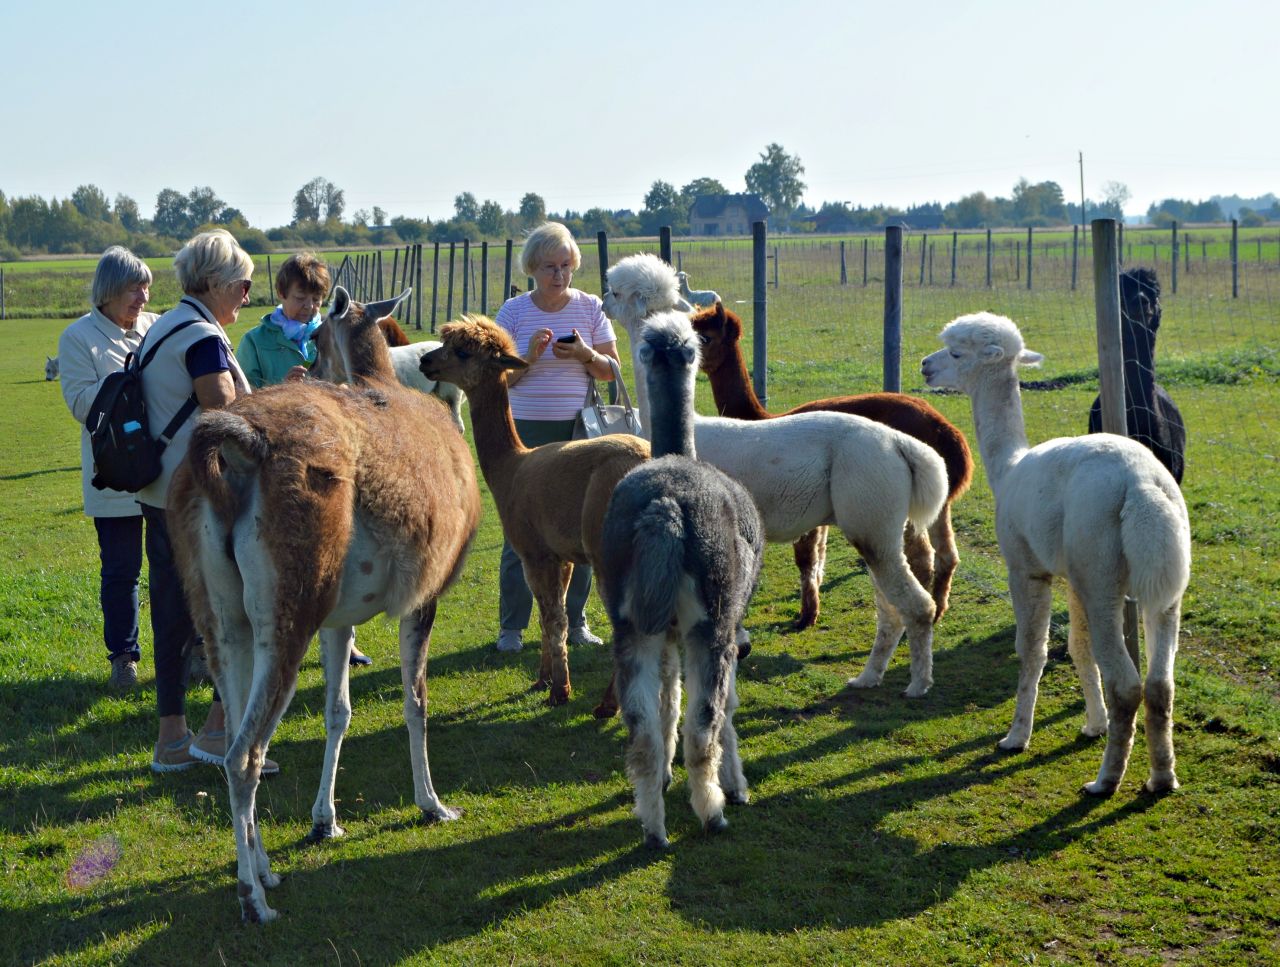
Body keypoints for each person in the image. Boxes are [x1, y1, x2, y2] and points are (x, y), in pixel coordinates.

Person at [135, 228, 277, 775]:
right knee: (229, 609)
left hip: (159, 491)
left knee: (172, 613)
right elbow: (223, 413)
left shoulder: (164, 326)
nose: (246, 295)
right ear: (217, 283)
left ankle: (173, 737)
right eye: (242, 285)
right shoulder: (201, 336)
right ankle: (222, 731)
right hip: (199, 496)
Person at [233, 253, 373, 666]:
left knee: (338, 542)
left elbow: (352, 383)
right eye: (300, 298)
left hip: (329, 455)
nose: (309, 308)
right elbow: (240, 397)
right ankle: (274, 628)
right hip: (274, 459)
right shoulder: (256, 341)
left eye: (315, 300)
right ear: (280, 294)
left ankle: (344, 637)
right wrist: (280, 388)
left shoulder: (330, 333)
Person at [492, 222, 620, 653]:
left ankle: (575, 622)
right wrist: (526, 358)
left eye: (566, 265)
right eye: (550, 266)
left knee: (583, 529)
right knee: (521, 534)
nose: (559, 275)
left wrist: (586, 354)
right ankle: (512, 627)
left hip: (579, 433)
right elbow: (497, 380)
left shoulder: (589, 307)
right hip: (524, 434)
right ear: (532, 267)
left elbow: (612, 370)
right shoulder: (512, 312)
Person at [57, 246, 158, 692]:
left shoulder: (155, 327)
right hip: (113, 476)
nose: (142, 296)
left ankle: (192, 650)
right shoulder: (79, 338)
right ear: (110, 290)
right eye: (134, 288)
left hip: (162, 471)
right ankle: (124, 657)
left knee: (175, 567)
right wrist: (128, 379)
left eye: (145, 287)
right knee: (120, 571)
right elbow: (81, 404)